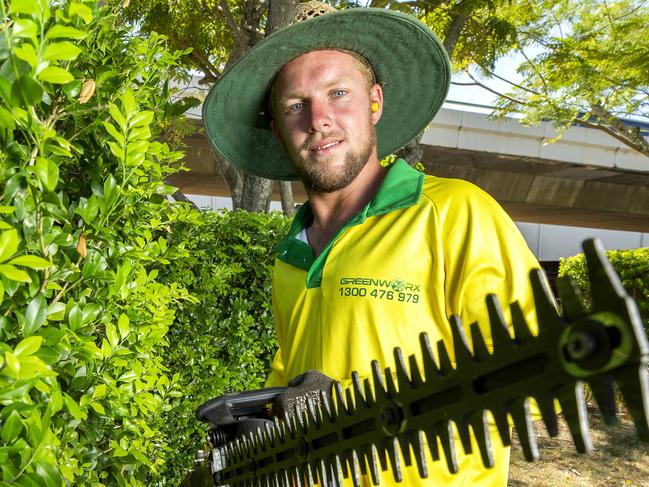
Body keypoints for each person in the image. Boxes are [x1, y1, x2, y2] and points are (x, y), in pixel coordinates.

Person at [202, 2, 541, 485]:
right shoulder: (290, 253)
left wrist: (355, 412)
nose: (319, 119)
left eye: (338, 93)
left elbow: (525, 369)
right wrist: (262, 427)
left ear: (375, 102)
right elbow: (293, 378)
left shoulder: (454, 213)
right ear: (278, 130)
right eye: (296, 106)